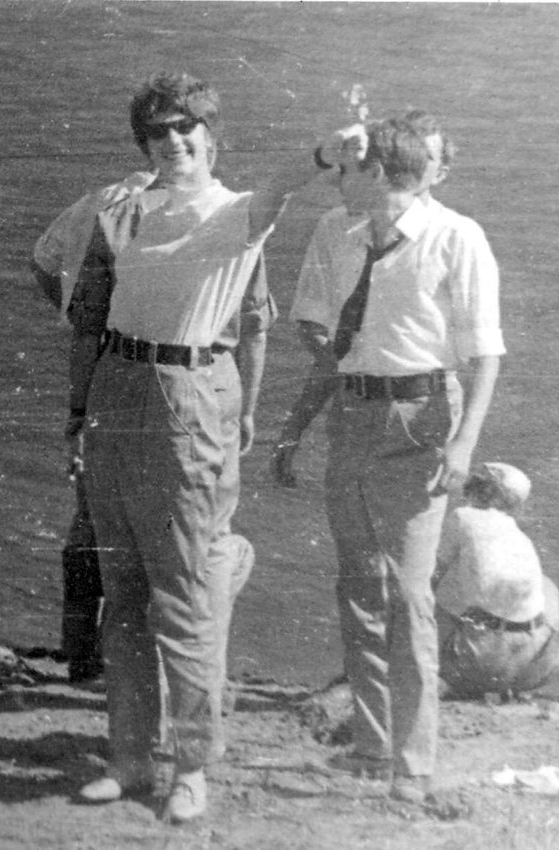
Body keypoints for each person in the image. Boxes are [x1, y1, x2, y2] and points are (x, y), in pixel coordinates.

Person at [67, 70, 357, 823]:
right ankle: (130, 757)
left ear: (209, 135)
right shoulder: (128, 210)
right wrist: (79, 411)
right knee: (122, 590)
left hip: (183, 396)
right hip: (116, 387)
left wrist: (325, 152)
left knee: (187, 593)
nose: (172, 142)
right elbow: (88, 310)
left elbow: (283, 188)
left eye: (184, 128)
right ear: (144, 144)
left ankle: (191, 765)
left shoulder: (236, 214)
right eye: (157, 132)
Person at [291, 115, 503, 804]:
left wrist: (463, 445)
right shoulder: (337, 231)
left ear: (378, 173)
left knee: (409, 595)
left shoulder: (456, 236)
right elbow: (312, 321)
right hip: (352, 412)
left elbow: (484, 355)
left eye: (346, 170)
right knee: (358, 585)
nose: (337, 181)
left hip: (420, 418)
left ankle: (413, 764)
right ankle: (370, 746)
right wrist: (333, 375)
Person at [271, 110, 454, 488]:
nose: (409, 163)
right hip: (354, 400)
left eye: (424, 156)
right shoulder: (337, 225)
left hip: (424, 405)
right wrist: (295, 427)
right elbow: (325, 335)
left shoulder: (451, 238)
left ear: (441, 172)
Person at [31, 169, 154, 684]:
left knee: (90, 515)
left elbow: (42, 260)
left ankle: (79, 650)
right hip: (142, 369)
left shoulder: (99, 199)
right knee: (146, 522)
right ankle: (114, 650)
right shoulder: (182, 205)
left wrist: (73, 306)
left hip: (96, 357)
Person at [434, 462, 559, 699]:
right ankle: (510, 688)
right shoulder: (519, 536)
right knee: (546, 587)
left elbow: (430, 575)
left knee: (416, 595)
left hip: (479, 664)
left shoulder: (462, 517)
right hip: (539, 668)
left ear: (477, 489)